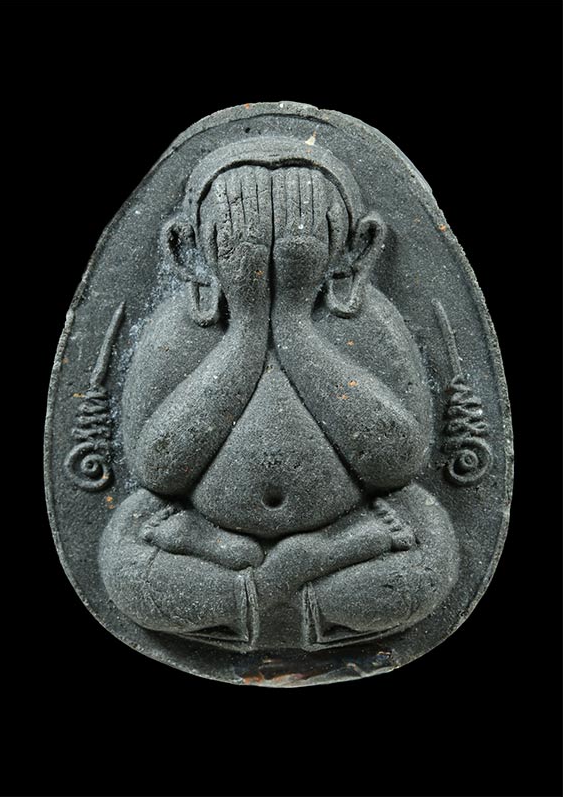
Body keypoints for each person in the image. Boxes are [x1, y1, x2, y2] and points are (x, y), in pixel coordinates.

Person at [100, 145, 458, 649]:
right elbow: (157, 470)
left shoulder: (366, 320)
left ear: (357, 247)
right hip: (215, 541)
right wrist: (247, 328)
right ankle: (301, 581)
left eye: (299, 238)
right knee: (124, 561)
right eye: (238, 241)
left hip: (346, 526)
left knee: (430, 555)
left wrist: (293, 325)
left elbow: (398, 465)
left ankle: (263, 590)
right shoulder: (180, 327)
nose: (268, 256)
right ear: (187, 251)